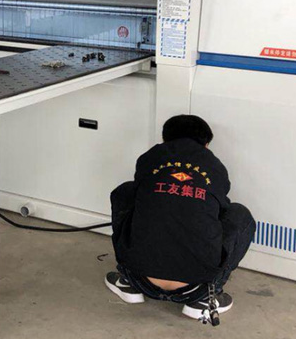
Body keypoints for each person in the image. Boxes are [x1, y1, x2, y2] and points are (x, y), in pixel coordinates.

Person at [105, 115, 255, 325]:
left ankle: (127, 281)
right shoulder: (215, 165)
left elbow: (139, 194)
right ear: (206, 144)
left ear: (165, 139)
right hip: (195, 287)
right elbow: (220, 210)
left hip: (140, 278)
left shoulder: (151, 156)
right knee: (240, 215)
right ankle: (206, 298)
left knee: (125, 192)